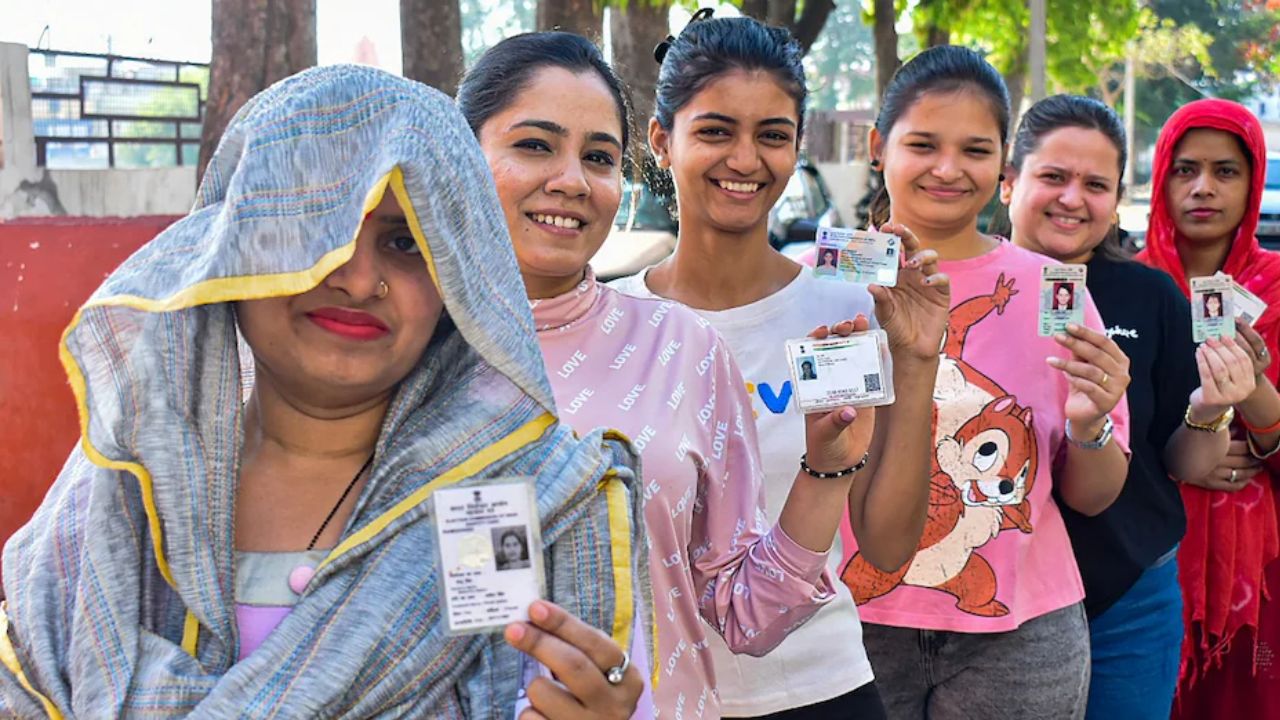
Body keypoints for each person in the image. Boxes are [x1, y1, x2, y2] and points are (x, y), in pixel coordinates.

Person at [0, 65, 647, 719]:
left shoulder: (530, 497)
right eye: (317, 228)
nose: (359, 279)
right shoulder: (126, 483)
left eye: (404, 242)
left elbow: (558, 686)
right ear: (232, 252)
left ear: (458, 284)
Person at [458, 31, 882, 719]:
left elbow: (748, 613)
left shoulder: (681, 346)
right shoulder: (398, 351)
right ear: (461, 155)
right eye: (535, 144)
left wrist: (823, 469)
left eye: (596, 156)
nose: (569, 179)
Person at [614, 14, 952, 719]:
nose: (745, 159)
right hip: (647, 699)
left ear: (797, 147)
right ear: (660, 140)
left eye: (772, 135)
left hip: (820, 690)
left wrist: (917, 362)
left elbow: (888, 547)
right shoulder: (610, 325)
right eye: (714, 131)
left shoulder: (846, 310)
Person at [834, 47, 1133, 720]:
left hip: (1021, 633)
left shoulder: (1049, 289)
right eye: (923, 144)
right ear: (879, 147)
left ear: (1003, 163)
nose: (947, 169)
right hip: (845, 623)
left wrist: (1090, 426)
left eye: (974, 149)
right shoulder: (829, 273)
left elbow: (1093, 496)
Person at [999, 93, 1255, 720]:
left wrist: (1210, 408)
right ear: (1009, 183)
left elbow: (1185, 462)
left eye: (1095, 184)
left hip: (1127, 594)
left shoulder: (1149, 295)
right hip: (994, 592)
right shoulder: (968, 285)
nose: (1072, 199)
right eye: (1053, 177)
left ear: (1116, 201)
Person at [1136, 98, 1280, 720]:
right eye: (1185, 168)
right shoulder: (1127, 287)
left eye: (1226, 171)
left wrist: (1251, 387)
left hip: (1258, 568)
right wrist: (1187, 458)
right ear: (1161, 175)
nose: (1204, 188)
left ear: (1252, 185)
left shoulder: (1276, 287)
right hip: (1141, 555)